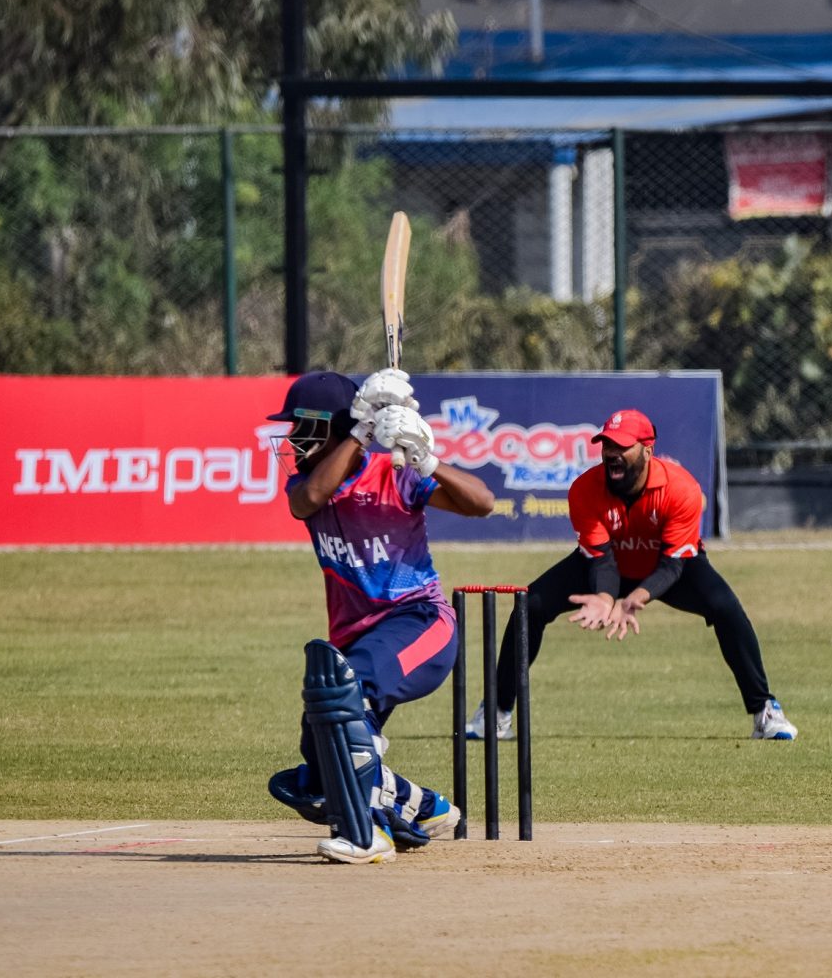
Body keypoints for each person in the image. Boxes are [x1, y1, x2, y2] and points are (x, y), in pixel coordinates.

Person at [264, 369, 495, 863]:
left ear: (325, 427)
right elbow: (309, 501)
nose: (290, 439)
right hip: (356, 640)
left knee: (348, 696)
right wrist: (361, 430)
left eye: (298, 428)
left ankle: (369, 834)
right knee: (322, 747)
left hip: (419, 623)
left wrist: (427, 460)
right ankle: (424, 805)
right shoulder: (309, 483)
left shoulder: (393, 473)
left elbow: (483, 503)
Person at [465, 408, 798, 742]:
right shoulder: (585, 489)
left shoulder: (681, 488)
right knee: (530, 606)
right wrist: (605, 597)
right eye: (607, 444)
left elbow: (673, 565)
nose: (612, 454)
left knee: (725, 608)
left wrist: (635, 598)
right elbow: (602, 561)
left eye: (622, 446)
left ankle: (765, 712)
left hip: (668, 565)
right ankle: (497, 713)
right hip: (607, 565)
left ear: (647, 451)